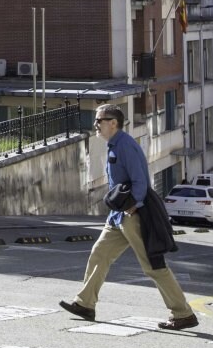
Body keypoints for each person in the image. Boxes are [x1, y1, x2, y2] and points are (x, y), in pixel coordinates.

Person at [59, 104, 196, 330]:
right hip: (118, 216)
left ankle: (183, 313)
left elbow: (141, 180)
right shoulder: (114, 144)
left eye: (100, 120)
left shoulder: (125, 146)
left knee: (152, 266)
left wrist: (133, 207)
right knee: (99, 254)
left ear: (113, 123)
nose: (96, 125)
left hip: (132, 215)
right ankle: (85, 304)